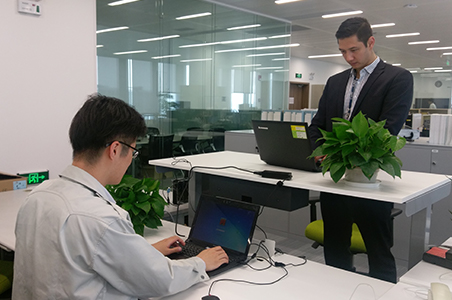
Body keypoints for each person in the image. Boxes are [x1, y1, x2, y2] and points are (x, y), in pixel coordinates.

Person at [12, 94, 229, 299]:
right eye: (133, 152)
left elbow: (72, 259)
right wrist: (200, 262)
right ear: (115, 150)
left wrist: (145, 253)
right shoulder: (101, 218)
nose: (131, 160)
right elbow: (160, 280)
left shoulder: (38, 195)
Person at [308, 17, 413, 283]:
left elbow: (386, 132)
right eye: (343, 51)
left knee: (379, 254)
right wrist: (317, 149)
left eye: (354, 50)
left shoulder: (397, 78)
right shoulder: (334, 82)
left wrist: (337, 153)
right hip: (335, 182)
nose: (348, 57)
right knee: (335, 251)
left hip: (369, 182)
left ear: (371, 42)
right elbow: (318, 125)